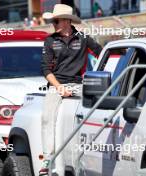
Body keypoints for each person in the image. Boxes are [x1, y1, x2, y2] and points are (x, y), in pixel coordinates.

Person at [40, 4, 102, 175]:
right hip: (56, 85)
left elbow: (101, 53)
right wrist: (60, 88)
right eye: (53, 20)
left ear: (66, 21)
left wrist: (125, 52)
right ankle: (47, 158)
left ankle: (94, 153)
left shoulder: (83, 37)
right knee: (46, 117)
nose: (53, 23)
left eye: (56, 20)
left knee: (99, 109)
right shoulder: (50, 40)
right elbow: (45, 70)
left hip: (78, 84)